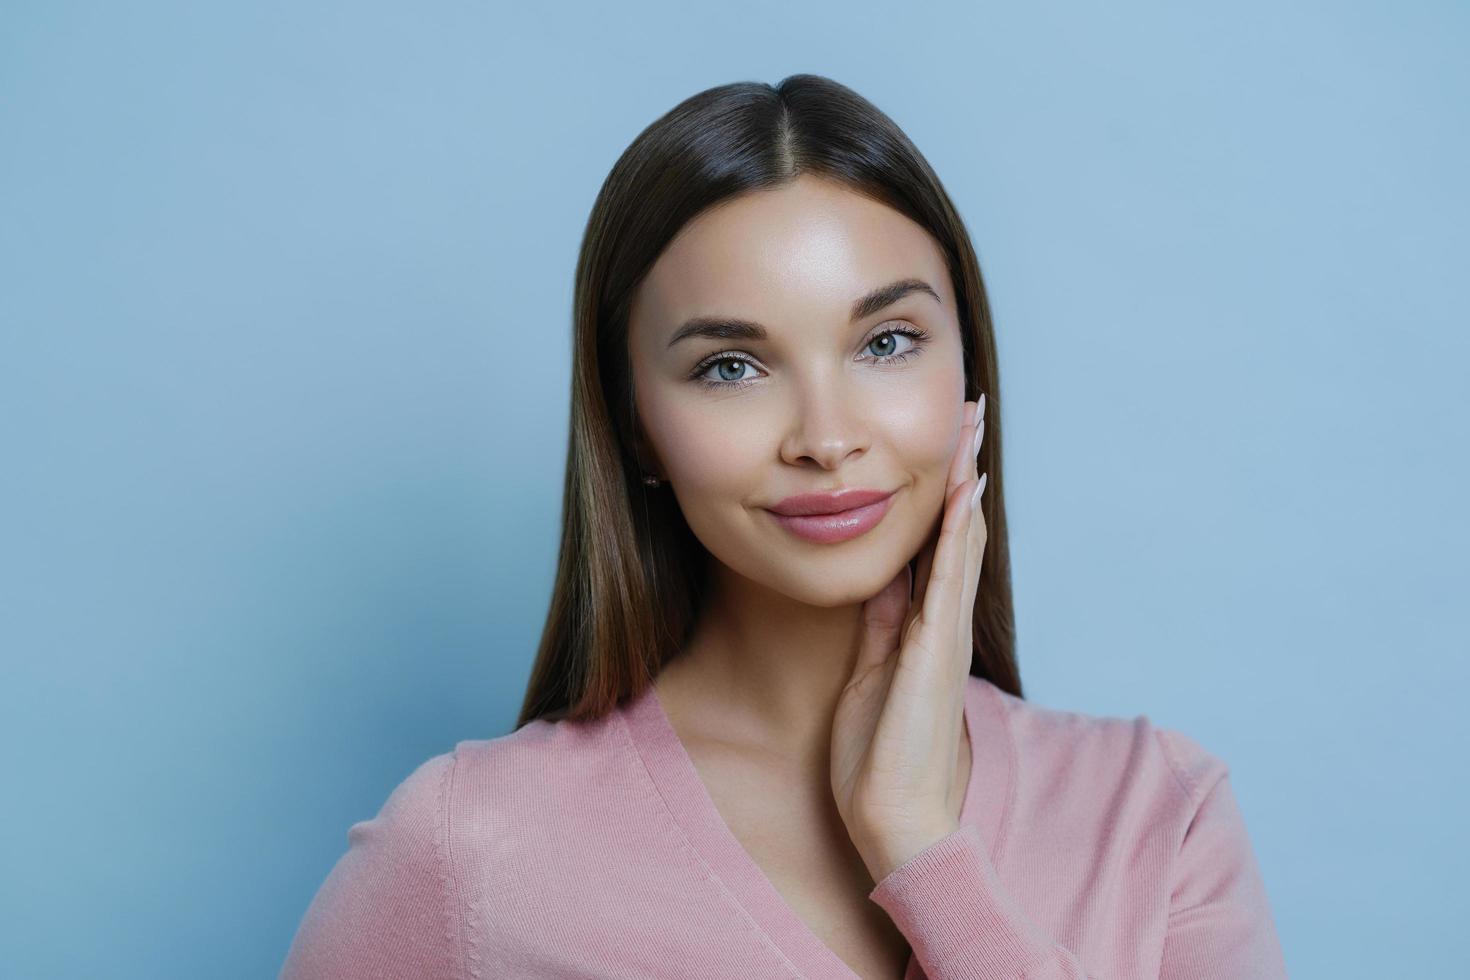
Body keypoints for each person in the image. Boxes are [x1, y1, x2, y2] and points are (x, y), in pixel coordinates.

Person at [279, 73, 1289, 980]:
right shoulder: (470, 850)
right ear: (637, 426)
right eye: (731, 365)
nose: (826, 435)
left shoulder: (1156, 813)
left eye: (888, 342)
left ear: (969, 374)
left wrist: (923, 855)